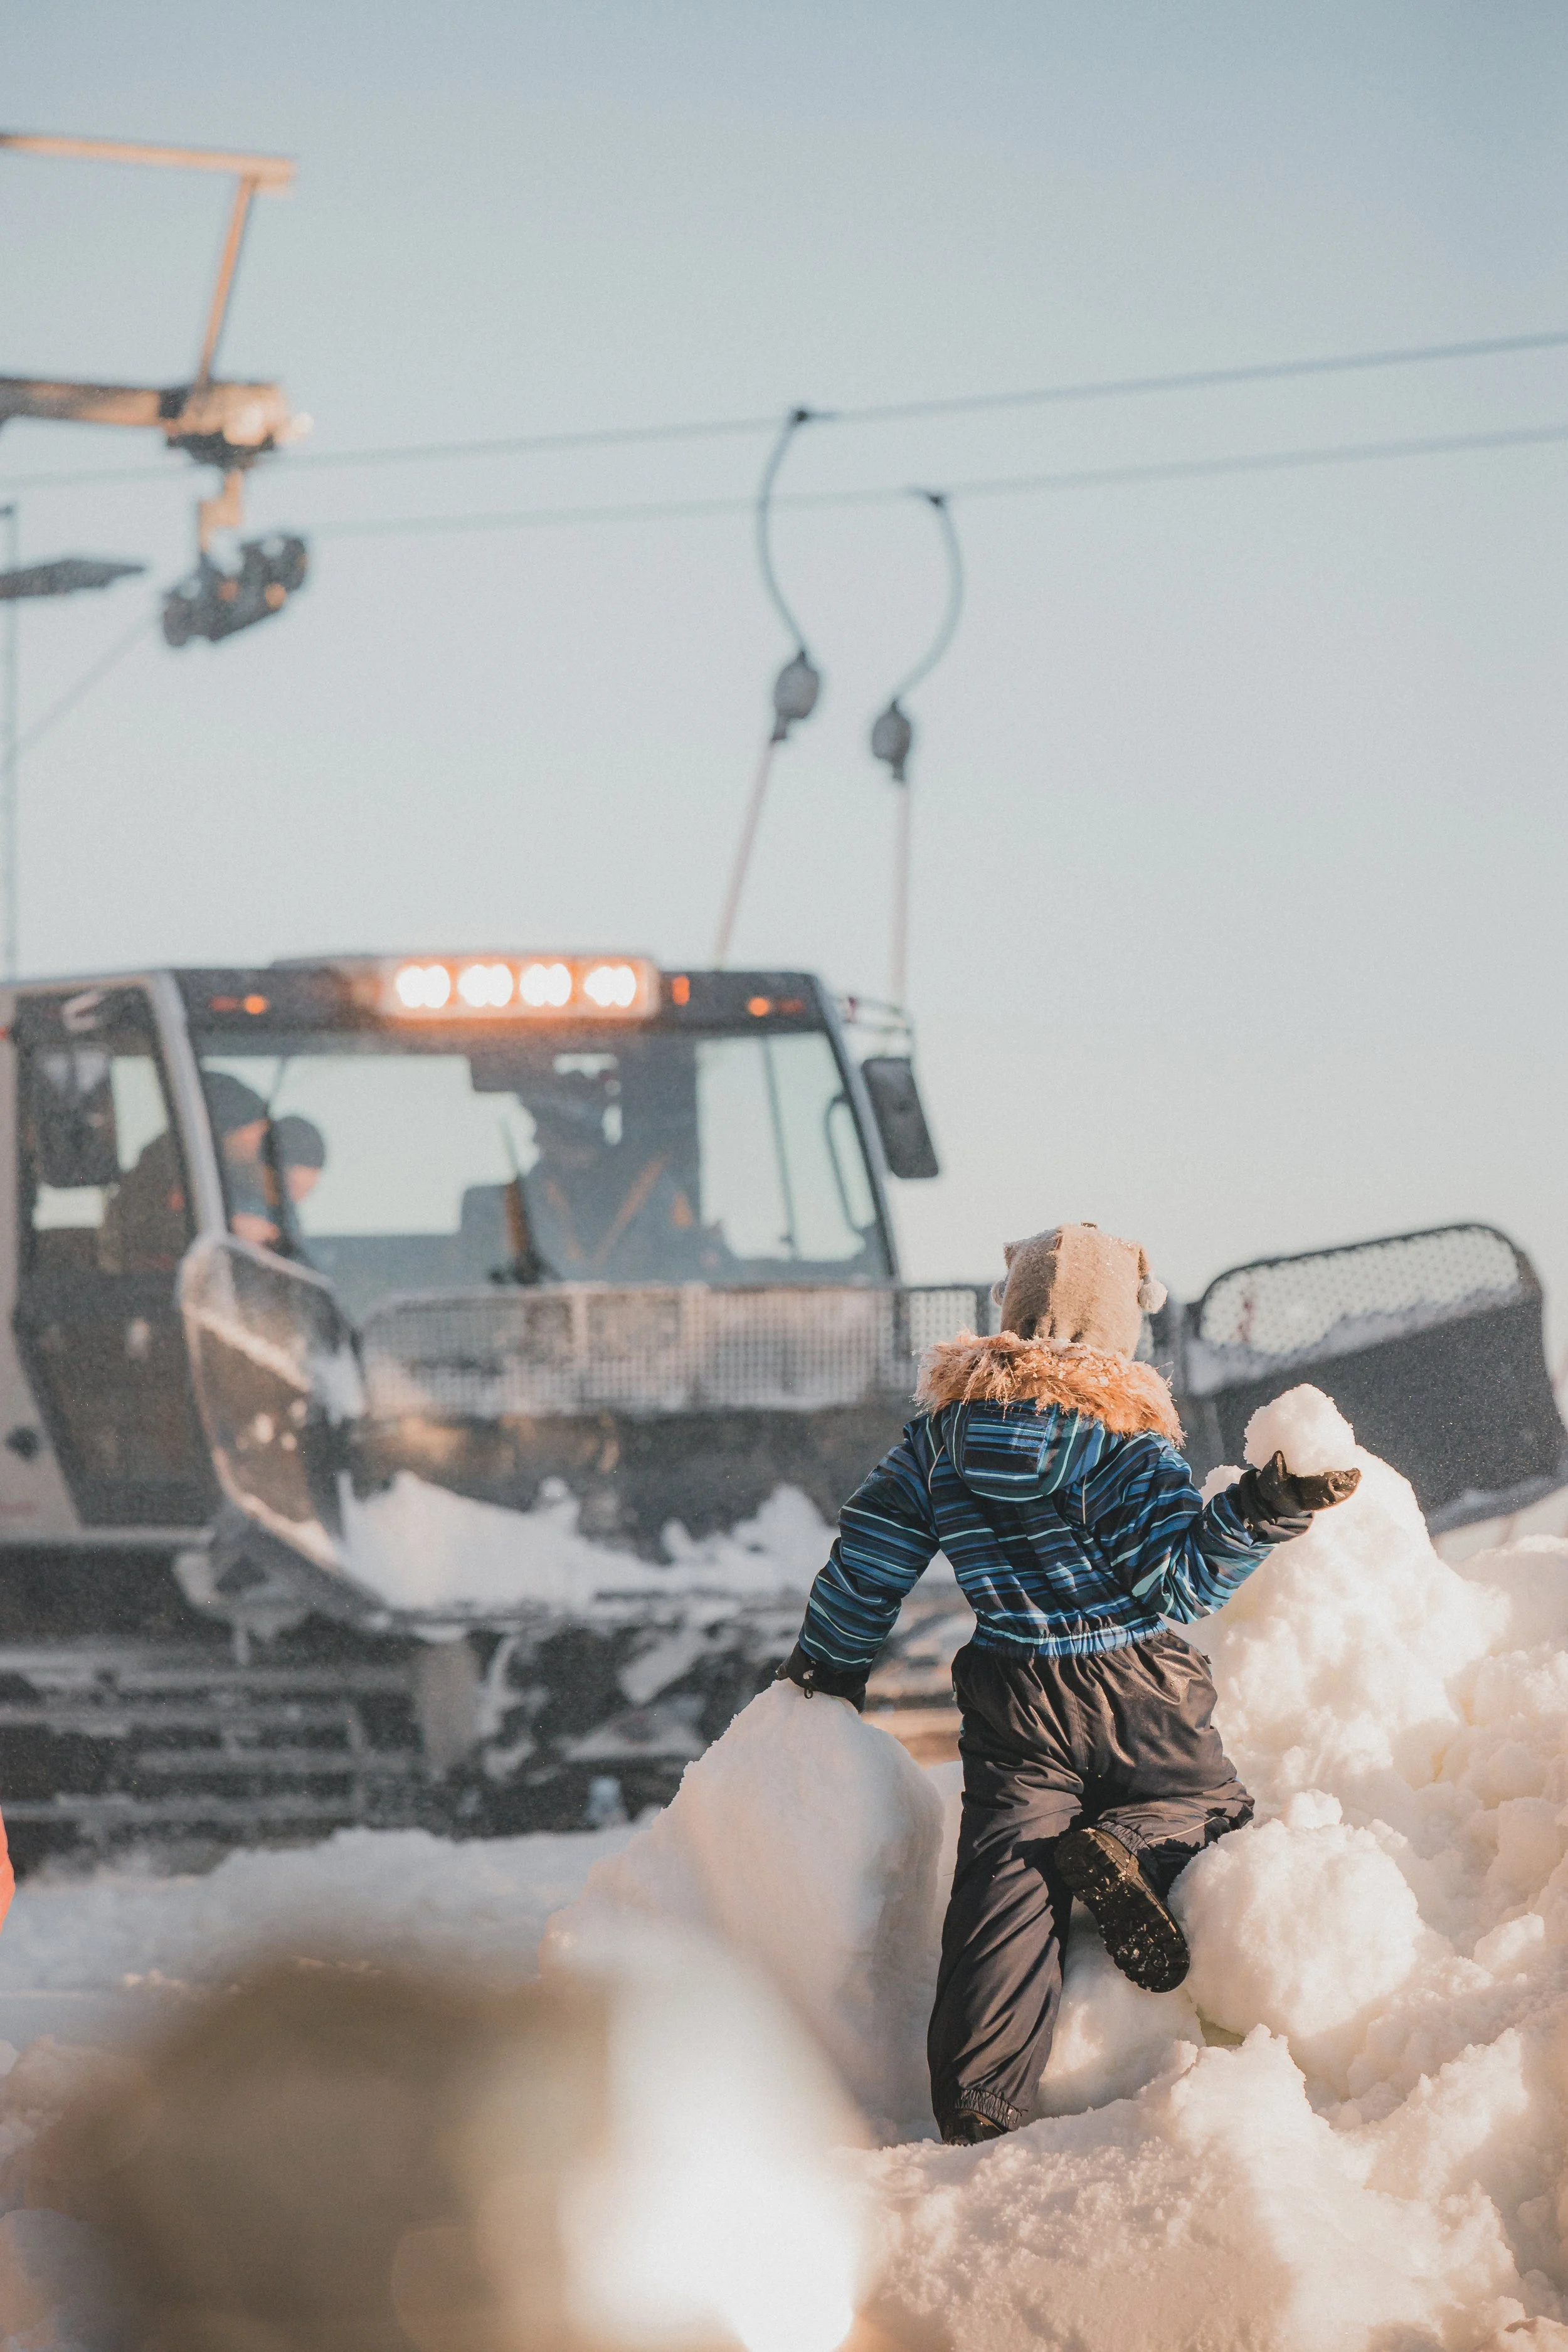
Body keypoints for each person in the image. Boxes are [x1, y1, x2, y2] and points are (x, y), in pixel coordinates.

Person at [775, 1221, 1360, 2146]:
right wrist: (1259, 1510)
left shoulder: (938, 1440)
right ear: (1120, 1324)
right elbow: (1182, 1580)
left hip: (1012, 1691)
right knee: (1207, 1803)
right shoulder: (1120, 1441)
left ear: (1011, 1313)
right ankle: (1132, 1841)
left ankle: (977, 2095)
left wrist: (830, 1663)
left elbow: (870, 1558)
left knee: (1004, 1880)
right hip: (1134, 1682)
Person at [519, 1073, 702, 1281]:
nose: (535, 1139)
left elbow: (690, 1256)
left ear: (567, 1130)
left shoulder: (653, 1186)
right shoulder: (532, 1192)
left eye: (543, 1126)